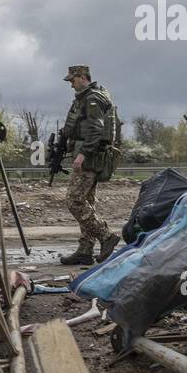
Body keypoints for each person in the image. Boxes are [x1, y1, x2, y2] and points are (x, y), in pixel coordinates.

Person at [59, 64, 122, 265]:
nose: (71, 85)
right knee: (87, 201)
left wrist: (82, 155)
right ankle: (85, 250)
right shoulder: (88, 97)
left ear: (82, 77)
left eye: (72, 80)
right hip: (90, 156)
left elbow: (95, 130)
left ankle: (106, 236)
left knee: (74, 200)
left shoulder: (93, 98)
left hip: (89, 157)